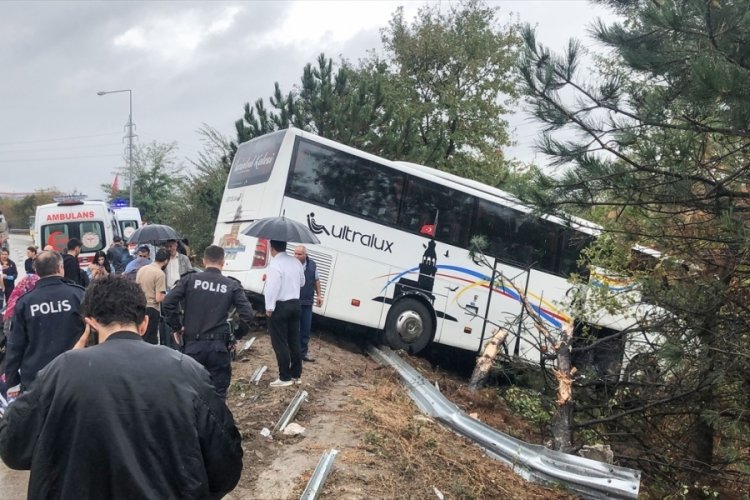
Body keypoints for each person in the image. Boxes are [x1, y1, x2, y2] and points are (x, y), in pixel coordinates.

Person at [0, 276, 243, 499]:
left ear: (90, 324)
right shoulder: (186, 370)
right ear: (144, 324)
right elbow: (226, 462)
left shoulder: (61, 371)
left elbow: (12, 446)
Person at [163, 245, 254, 398]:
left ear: (204, 261)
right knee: (218, 395)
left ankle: (195, 421)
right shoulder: (231, 285)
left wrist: (177, 327)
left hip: (193, 346)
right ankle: (216, 421)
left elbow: (168, 303)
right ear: (223, 262)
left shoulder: (189, 280)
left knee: (191, 394)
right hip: (218, 348)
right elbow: (247, 314)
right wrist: (236, 335)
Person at [4, 251, 85, 397]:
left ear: (36, 271)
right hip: (75, 374)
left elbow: (15, 344)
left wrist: (12, 382)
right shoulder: (78, 295)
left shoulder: (25, 302)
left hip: (36, 379)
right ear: (60, 268)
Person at [265, 240, 305, 387]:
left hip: (280, 306)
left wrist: (269, 308)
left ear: (272, 248)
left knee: (280, 342)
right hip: (295, 304)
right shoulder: (296, 262)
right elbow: (302, 282)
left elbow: (272, 288)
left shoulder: (276, 264)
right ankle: (296, 374)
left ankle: (284, 377)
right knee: (294, 341)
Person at [294, 245, 323, 362]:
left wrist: (319, 295)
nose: (296, 256)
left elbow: (316, 280)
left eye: (299, 254)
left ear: (305, 255)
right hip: (293, 301)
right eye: (295, 253)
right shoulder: (291, 264)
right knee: (294, 328)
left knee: (305, 329)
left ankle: (303, 353)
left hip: (307, 302)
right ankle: (291, 351)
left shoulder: (312, 265)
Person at [136, 248, 168, 345]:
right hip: (152, 309)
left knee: (141, 338)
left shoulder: (142, 269)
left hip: (139, 308)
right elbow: (158, 298)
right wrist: (168, 295)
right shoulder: (160, 274)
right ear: (166, 261)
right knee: (151, 340)